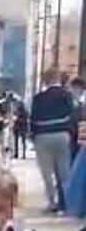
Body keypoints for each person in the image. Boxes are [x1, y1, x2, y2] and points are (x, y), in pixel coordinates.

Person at [30, 70, 76, 213]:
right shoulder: (67, 95)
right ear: (58, 79)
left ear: (45, 81)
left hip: (43, 136)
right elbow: (73, 115)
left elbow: (33, 119)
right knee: (64, 173)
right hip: (62, 135)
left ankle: (52, 203)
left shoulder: (38, 98)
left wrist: (33, 135)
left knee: (47, 173)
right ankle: (68, 203)